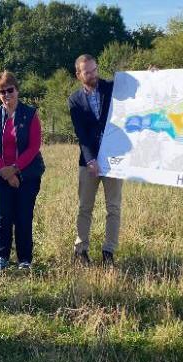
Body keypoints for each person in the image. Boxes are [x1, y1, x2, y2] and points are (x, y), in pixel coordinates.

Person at [0, 71, 45, 271]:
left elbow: (34, 146)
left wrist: (15, 170)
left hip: (27, 175)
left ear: (17, 90)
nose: (6, 94)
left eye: (10, 90)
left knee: (23, 216)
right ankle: (2, 256)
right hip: (0, 176)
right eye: (2, 91)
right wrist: (5, 172)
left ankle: (25, 259)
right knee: (2, 217)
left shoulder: (30, 114)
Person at [68, 54, 120, 266]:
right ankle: (81, 251)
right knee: (85, 207)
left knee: (114, 207)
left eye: (94, 69)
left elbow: (139, 91)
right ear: (79, 75)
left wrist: (151, 75)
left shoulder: (112, 88)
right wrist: (90, 160)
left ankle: (109, 252)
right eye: (87, 72)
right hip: (88, 161)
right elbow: (82, 134)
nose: (93, 75)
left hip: (115, 159)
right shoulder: (74, 100)